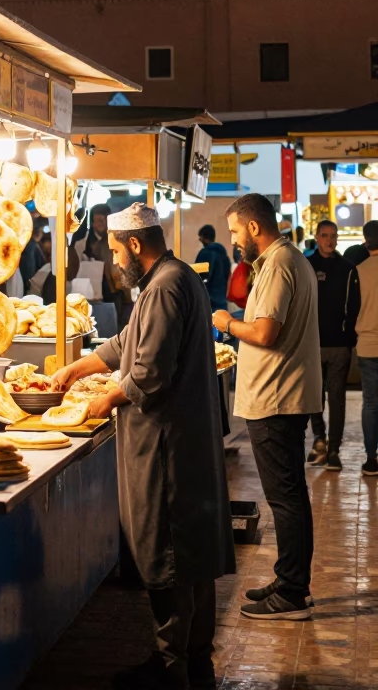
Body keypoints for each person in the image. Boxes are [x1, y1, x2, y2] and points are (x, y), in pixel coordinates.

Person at [54, 204, 234, 690]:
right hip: (179, 443)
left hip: (166, 448)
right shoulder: (170, 279)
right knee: (190, 559)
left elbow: (148, 372)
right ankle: (193, 663)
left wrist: (106, 397)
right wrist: (77, 368)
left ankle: (175, 669)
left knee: (171, 555)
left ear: (135, 245)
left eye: (115, 251)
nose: (113, 262)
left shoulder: (165, 285)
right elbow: (125, 343)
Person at [213, 193, 321, 621]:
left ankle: (292, 593)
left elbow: (265, 334)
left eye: (236, 231)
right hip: (281, 396)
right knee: (288, 495)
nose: (235, 240)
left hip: (276, 399)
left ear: (254, 227)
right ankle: (290, 579)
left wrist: (226, 323)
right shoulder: (288, 259)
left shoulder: (278, 264)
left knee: (287, 498)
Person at [305, 219, 358, 471]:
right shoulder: (307, 265)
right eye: (324, 235)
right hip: (312, 343)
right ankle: (319, 441)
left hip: (339, 345)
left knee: (336, 398)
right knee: (315, 397)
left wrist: (349, 338)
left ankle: (334, 449)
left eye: (333, 236)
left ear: (337, 239)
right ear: (317, 237)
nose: (329, 240)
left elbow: (354, 306)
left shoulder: (348, 269)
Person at [77, 203, 133, 330]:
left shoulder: (117, 239)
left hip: (115, 291)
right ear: (92, 223)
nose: (100, 224)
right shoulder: (84, 243)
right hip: (92, 294)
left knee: (116, 325)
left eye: (103, 220)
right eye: (97, 221)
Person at [352, 220, 378, 477]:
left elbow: (352, 310)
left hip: (367, 346)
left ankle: (372, 458)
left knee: (371, 403)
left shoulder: (358, 271)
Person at [195, 225, 231, 312]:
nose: (200, 240)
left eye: (200, 237)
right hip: (222, 299)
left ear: (204, 237)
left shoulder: (204, 254)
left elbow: (196, 276)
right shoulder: (223, 254)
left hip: (207, 300)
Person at [19, 215, 49, 289]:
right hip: (29, 283)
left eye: (41, 230)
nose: (40, 233)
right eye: (38, 230)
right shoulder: (30, 246)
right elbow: (29, 269)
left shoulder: (35, 245)